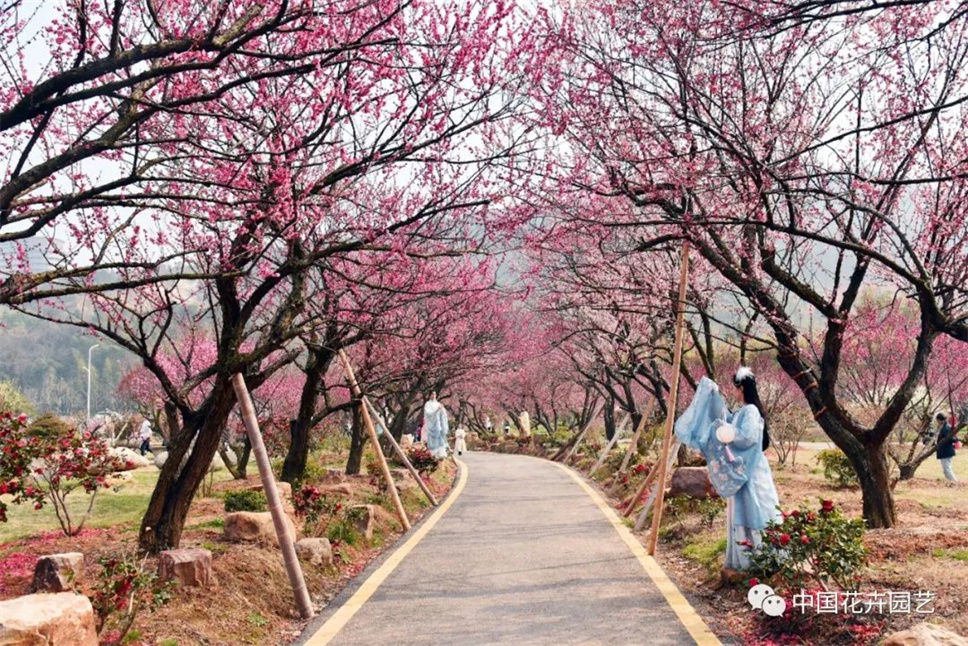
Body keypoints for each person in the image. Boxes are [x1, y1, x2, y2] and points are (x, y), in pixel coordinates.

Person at [674, 367, 781, 571]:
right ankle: (752, 558)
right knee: (747, 507)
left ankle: (758, 558)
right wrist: (713, 396)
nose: (734, 391)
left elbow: (747, 437)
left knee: (755, 507)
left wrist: (727, 431)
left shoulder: (750, 410)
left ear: (741, 388)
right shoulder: (745, 411)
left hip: (752, 470)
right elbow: (727, 419)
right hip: (748, 468)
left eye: (735, 388)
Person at [423, 391, 450, 459]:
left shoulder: (438, 404)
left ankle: (441, 455)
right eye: (432, 394)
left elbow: (443, 414)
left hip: (439, 425)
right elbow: (429, 414)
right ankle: (433, 455)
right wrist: (437, 410)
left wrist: (442, 410)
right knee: (432, 440)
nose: (434, 395)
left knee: (440, 439)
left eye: (435, 394)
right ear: (429, 395)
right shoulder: (428, 404)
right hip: (432, 425)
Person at [935, 412, 958, 483]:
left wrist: (944, 441)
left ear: (939, 420)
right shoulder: (943, 427)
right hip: (944, 451)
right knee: (946, 469)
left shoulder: (946, 428)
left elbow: (953, 439)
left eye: (937, 420)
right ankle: (951, 482)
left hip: (946, 451)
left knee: (947, 469)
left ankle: (954, 482)